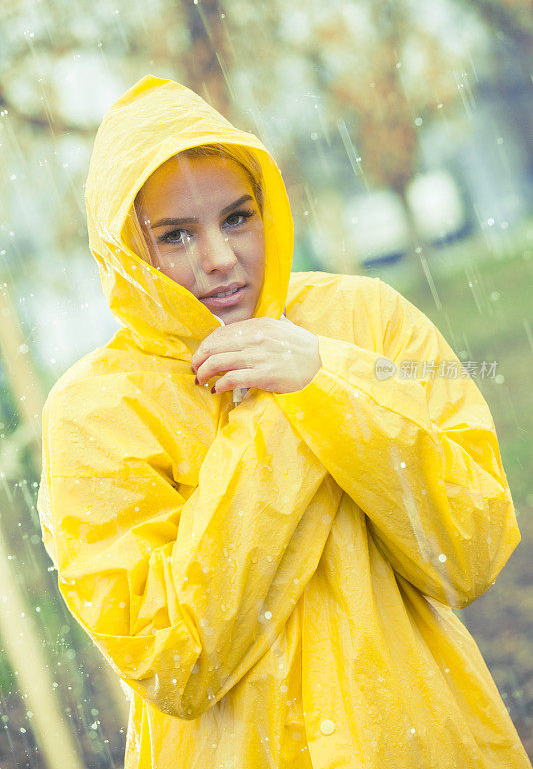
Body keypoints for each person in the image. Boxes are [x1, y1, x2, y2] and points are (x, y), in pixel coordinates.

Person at [36, 74, 532, 769]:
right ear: (125, 250)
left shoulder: (365, 320)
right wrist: (280, 411)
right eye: (177, 236)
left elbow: (470, 553)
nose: (219, 260)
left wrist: (323, 379)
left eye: (237, 218)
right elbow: (175, 658)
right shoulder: (94, 413)